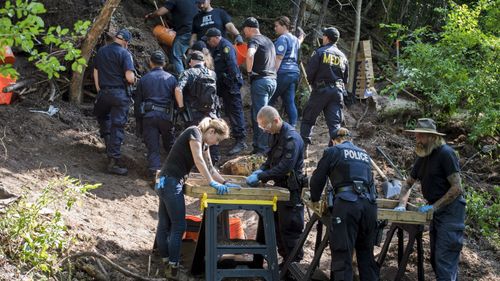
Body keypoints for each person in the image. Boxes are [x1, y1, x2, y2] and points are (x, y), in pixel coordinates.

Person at [155, 117, 238, 279]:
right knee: (178, 226)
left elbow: (209, 167)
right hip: (170, 183)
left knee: (165, 224)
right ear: (212, 131)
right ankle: (173, 269)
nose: (217, 143)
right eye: (218, 139)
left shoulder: (203, 143)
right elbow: (198, 160)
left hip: (164, 182)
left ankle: (166, 263)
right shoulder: (194, 132)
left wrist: (225, 182)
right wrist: (212, 183)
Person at [394, 118, 465, 281]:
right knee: (435, 259)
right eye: (416, 135)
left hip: (451, 212)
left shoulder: (446, 154)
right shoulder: (423, 157)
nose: (417, 139)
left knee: (444, 261)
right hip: (437, 212)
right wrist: (401, 205)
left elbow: (457, 188)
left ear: (432, 137)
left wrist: (435, 207)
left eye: (421, 136)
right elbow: (407, 184)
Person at [309, 127, 379, 281]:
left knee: (343, 255)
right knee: (367, 256)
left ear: (334, 141)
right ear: (350, 139)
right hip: (369, 205)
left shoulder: (333, 151)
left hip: (347, 204)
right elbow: (372, 184)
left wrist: (314, 198)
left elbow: (318, 179)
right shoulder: (364, 154)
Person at [245, 106, 305, 267]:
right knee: (278, 228)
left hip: (291, 190)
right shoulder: (276, 135)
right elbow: (271, 160)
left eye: (266, 126)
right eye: (262, 127)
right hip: (279, 189)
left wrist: (261, 176)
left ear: (276, 120)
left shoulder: (292, 138)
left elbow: (285, 166)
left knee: (289, 229)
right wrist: (261, 170)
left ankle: (294, 266)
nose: (265, 130)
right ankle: (285, 263)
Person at [300, 27, 349, 158]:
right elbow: (345, 79)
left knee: (308, 119)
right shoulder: (343, 56)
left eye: (323, 36)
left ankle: (303, 149)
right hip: (337, 92)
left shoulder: (320, 52)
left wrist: (313, 84)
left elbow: (310, 73)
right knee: (335, 124)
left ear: (326, 38)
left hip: (321, 90)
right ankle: (334, 152)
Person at [93, 28, 136, 175]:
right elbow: (130, 77)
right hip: (119, 94)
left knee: (103, 116)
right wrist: (134, 79)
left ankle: (107, 143)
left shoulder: (102, 51)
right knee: (117, 125)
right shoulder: (125, 54)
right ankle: (113, 161)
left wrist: (99, 89)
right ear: (126, 42)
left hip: (104, 92)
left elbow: (96, 71)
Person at [134, 50, 177, 181]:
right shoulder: (171, 79)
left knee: (153, 148)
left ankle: (155, 175)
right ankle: (175, 171)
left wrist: (139, 123)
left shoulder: (144, 79)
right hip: (166, 117)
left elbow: (137, 103)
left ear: (151, 63)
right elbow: (176, 100)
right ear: (164, 63)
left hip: (149, 116)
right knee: (170, 144)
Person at [205, 27, 247, 155]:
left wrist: (232, 83)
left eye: (210, 39)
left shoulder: (225, 47)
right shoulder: (216, 47)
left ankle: (241, 140)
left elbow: (232, 67)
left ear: (217, 37)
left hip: (230, 85)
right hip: (222, 85)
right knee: (228, 111)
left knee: (235, 111)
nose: (208, 42)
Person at [175, 50, 220, 164]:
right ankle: (213, 165)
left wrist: (181, 107)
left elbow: (178, 89)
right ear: (203, 62)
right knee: (212, 137)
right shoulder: (212, 74)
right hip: (211, 113)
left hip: (194, 114)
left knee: (194, 139)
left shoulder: (188, 73)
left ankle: (195, 165)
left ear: (190, 62)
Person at [242, 17, 277, 154]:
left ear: (250, 28)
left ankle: (262, 150)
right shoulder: (269, 41)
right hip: (272, 81)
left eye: (245, 30)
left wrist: (250, 72)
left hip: (261, 81)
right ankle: (258, 146)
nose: (244, 34)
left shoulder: (254, 40)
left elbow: (250, 55)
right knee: (258, 114)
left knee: (261, 116)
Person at [145, 0, 198, 76]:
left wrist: (150, 15)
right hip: (196, 31)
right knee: (193, 56)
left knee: (175, 56)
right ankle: (195, 78)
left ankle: (183, 81)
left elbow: (160, 12)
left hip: (185, 31)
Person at [269, 16, 300, 127]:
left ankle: (269, 126)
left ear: (284, 26)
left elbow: (279, 58)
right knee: (289, 101)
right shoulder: (295, 39)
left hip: (284, 72)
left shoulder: (282, 39)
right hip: (294, 72)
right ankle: (293, 126)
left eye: (277, 26)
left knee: (270, 100)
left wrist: (273, 74)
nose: (275, 28)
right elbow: (299, 43)